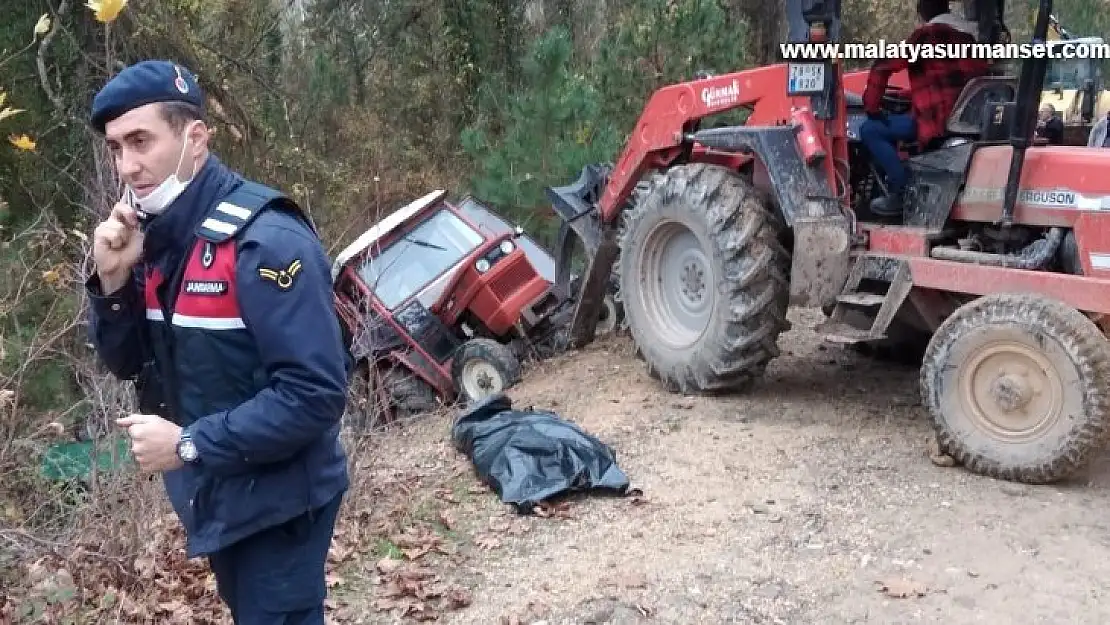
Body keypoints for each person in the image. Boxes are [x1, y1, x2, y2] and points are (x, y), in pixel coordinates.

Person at [85, 59, 351, 623]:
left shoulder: (266, 242)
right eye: (115, 148)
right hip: (218, 493)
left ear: (195, 139)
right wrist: (112, 282)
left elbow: (316, 394)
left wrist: (186, 444)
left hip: (280, 502)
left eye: (141, 141)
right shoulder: (155, 242)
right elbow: (127, 361)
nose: (128, 167)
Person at [860, 0, 991, 220]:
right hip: (970, 122)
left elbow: (882, 65)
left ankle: (901, 192)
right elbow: (952, 87)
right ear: (946, 9)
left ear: (922, 14)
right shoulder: (968, 40)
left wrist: (872, 107)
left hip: (937, 124)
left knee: (870, 130)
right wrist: (909, 96)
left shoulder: (925, 38)